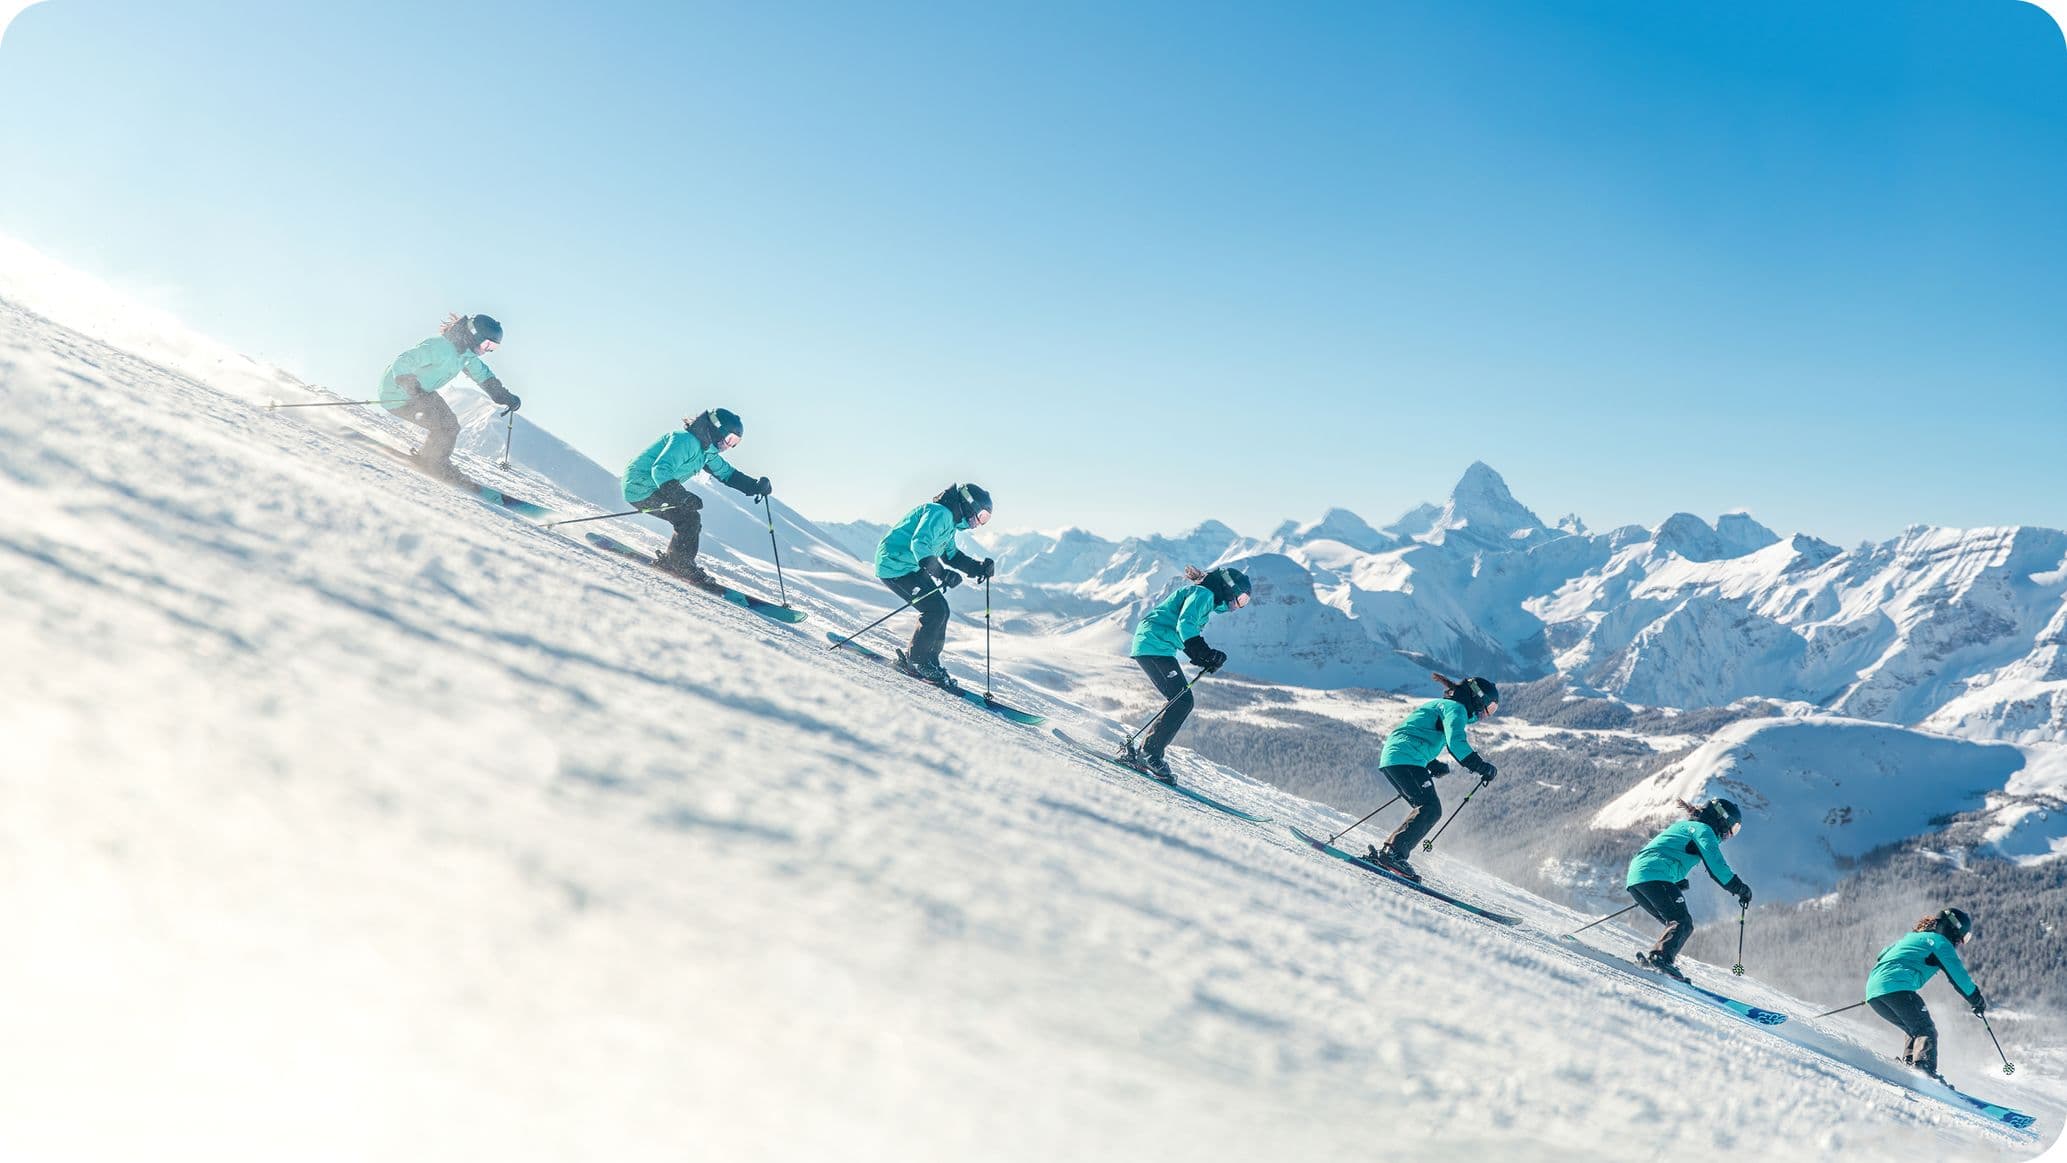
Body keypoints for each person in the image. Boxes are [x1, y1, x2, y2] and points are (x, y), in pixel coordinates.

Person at [1362, 674, 1499, 881]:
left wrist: (1431, 763)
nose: (1486, 714)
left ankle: (1390, 853)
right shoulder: (1456, 709)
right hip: (1405, 757)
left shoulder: (1442, 705)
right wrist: (1481, 766)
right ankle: (1393, 854)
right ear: (1477, 697)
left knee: (1425, 807)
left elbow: (1416, 733)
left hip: (1397, 758)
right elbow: (1457, 743)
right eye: (1490, 707)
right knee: (1431, 808)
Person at [1123, 565, 1253, 782]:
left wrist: (1204, 657)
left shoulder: (1206, 597)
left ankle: (1147, 753)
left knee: (1180, 699)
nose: (1238, 606)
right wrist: (1203, 652)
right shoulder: (1203, 594)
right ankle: (1149, 754)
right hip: (1153, 644)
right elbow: (1186, 624)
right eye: (1241, 599)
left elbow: (1185, 630)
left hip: (1158, 645)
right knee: (1182, 701)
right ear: (1229, 588)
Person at [620, 408, 771, 591]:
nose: (730, 446)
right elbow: (661, 468)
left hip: (654, 488)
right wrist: (680, 496)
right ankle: (679, 564)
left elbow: (727, 474)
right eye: (730, 439)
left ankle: (675, 561)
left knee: (688, 519)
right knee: (688, 518)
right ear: (718, 429)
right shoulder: (685, 441)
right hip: (640, 487)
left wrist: (754, 486)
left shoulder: (706, 451)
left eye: (735, 443)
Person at [872, 484, 996, 692]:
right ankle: (917, 662)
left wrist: (978, 568)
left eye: (985, 520)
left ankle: (928, 663)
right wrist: (942, 573)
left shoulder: (951, 523)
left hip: (910, 565)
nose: (980, 523)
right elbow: (919, 543)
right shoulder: (939, 513)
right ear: (969, 505)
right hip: (894, 565)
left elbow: (951, 555)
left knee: (942, 610)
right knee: (934, 610)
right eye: (982, 516)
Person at [1623, 797, 1753, 982]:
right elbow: (1716, 866)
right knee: (1682, 922)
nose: (1731, 835)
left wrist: (1675, 881)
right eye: (1733, 829)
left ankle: (1660, 959)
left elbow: (1665, 852)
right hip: (1655, 874)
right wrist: (1740, 888)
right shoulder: (1704, 830)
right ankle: (1660, 959)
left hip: (1637, 878)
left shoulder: (1685, 827)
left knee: (1674, 923)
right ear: (1722, 820)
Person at [378, 313, 521, 481]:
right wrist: (413, 388)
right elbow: (403, 361)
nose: (487, 350)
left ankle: (430, 460)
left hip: (421, 393)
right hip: (397, 393)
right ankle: (435, 464)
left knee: (449, 425)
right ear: (474, 335)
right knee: (447, 426)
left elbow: (483, 376)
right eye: (487, 344)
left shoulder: (466, 355)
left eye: (493, 348)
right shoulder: (440, 347)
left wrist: (505, 396)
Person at [1865, 908, 1986, 1083]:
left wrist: (1881, 988)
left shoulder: (1911, 938)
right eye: (1962, 937)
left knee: (1914, 1028)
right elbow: (1958, 975)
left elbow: (1882, 954)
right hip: (1896, 988)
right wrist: (1976, 999)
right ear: (1954, 929)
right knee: (1925, 1029)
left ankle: (1910, 1064)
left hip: (1873, 992)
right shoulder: (1940, 943)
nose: (1960, 942)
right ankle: (1925, 1070)